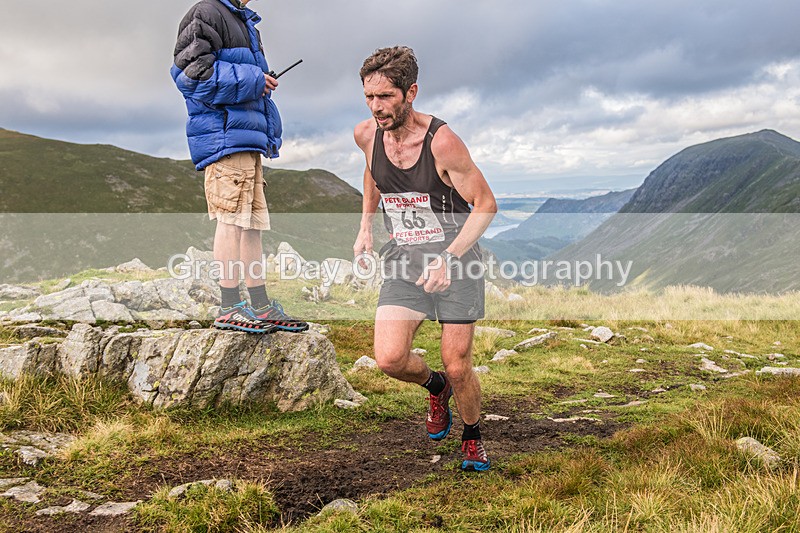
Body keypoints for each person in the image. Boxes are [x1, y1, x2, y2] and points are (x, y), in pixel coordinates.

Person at [353, 46, 498, 471]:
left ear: (411, 92)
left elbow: (486, 204)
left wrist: (449, 259)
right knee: (389, 358)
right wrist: (365, 226)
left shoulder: (442, 143)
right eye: (369, 97)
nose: (376, 107)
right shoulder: (366, 134)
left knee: (458, 364)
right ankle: (435, 388)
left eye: (386, 97)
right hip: (405, 258)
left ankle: (471, 435)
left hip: (457, 261)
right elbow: (372, 172)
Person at [171, 0, 307, 333]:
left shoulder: (243, 21)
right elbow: (192, 76)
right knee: (231, 221)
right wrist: (254, 78)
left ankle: (259, 305)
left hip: (246, 137)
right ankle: (229, 305)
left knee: (251, 225)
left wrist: (260, 82)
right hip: (224, 136)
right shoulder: (205, 13)